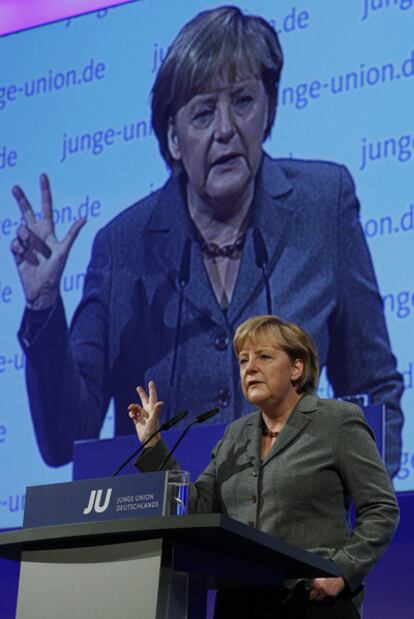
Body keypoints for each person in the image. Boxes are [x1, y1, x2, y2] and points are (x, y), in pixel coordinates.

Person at [11, 6, 403, 474]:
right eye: (202, 113)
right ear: (174, 138)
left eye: (243, 101)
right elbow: (63, 440)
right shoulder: (123, 247)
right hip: (162, 534)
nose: (225, 129)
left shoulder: (323, 206)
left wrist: (360, 505)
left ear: (268, 111)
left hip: (295, 533)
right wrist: (42, 307)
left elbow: (377, 387)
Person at [129, 315, 399, 619]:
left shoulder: (337, 421)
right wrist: (153, 444)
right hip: (239, 602)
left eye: (264, 357)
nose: (250, 368)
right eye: (243, 361)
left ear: (296, 368)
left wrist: (343, 570)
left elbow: (381, 508)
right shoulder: (235, 435)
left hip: (310, 602)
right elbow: (198, 509)